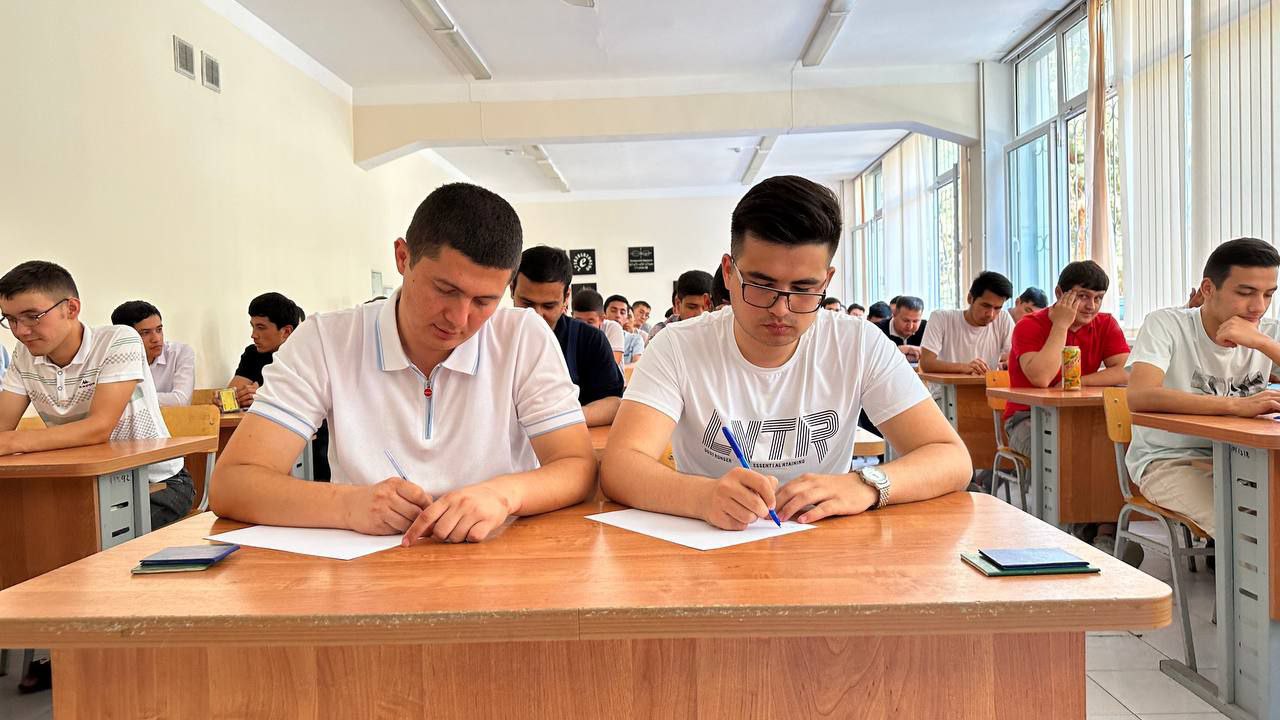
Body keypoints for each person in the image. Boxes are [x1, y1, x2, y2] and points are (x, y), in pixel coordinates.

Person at [209, 182, 596, 544]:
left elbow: (577, 466)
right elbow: (233, 483)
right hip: (365, 564)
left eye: (484, 301)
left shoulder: (523, 336)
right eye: (445, 289)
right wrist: (349, 505)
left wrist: (504, 494)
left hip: (495, 559)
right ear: (403, 257)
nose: (459, 319)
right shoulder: (327, 339)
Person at [600, 175, 970, 530]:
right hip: (710, 544)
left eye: (804, 289)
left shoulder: (858, 343)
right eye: (761, 285)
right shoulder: (678, 346)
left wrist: (866, 484)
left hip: (825, 545)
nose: (781, 309)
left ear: (826, 281)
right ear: (728, 273)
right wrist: (703, 496)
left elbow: (951, 458)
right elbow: (619, 467)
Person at [0, 261, 195, 530]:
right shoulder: (24, 355)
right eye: (10, 320)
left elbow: (98, 428)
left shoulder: (119, 340)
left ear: (71, 308)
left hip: (154, 482)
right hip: (82, 484)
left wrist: (11, 441)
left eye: (32, 316)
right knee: (24, 526)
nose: (20, 331)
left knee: (72, 533)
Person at [1127, 238, 1280, 538]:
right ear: (1208, 288)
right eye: (1245, 293)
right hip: (1170, 460)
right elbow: (1140, 396)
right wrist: (1236, 406)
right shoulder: (1166, 324)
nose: (1258, 307)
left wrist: (1262, 343)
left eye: (1268, 294)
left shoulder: (1268, 332)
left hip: (1247, 459)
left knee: (1267, 525)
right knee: (1246, 529)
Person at [1004, 260, 1130, 548]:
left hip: (1082, 418)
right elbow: (1041, 378)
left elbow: (1126, 371)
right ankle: (1074, 531)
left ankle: (1106, 536)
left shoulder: (1106, 323)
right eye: (1083, 296)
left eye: (1098, 298)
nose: (1091, 306)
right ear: (1060, 293)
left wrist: (1078, 381)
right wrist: (1061, 324)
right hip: (1027, 418)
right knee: (1060, 454)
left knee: (1112, 454)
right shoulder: (1029, 325)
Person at [512, 247, 625, 426]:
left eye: (549, 306)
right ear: (512, 289)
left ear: (566, 297)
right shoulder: (492, 337)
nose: (537, 315)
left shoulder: (589, 340)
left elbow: (613, 404)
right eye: (527, 304)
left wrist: (556, 420)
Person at [919, 272, 1015, 376]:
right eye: (985, 306)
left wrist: (1008, 363)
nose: (991, 314)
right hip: (946, 386)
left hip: (987, 385)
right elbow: (926, 363)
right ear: (970, 298)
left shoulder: (1003, 319)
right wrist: (965, 367)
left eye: (997, 308)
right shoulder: (941, 318)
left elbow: (1013, 356)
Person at [225, 292, 304, 410]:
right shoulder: (253, 354)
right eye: (253, 326)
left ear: (286, 332)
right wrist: (223, 401)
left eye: (261, 328)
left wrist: (265, 399)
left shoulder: (306, 357)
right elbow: (231, 396)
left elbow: (308, 403)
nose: (253, 335)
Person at [110, 300, 196, 406]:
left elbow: (181, 401)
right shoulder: (113, 360)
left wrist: (133, 399)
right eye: (145, 333)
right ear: (126, 337)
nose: (156, 339)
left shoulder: (180, 353)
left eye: (159, 330)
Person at [649, 270, 713, 338]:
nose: (700, 314)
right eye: (692, 307)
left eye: (708, 307)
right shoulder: (661, 332)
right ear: (678, 304)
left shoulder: (717, 329)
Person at [572, 290, 625, 366]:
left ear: (602, 319)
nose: (584, 327)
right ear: (572, 317)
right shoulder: (569, 330)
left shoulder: (613, 328)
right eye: (579, 322)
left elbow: (610, 365)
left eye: (590, 322)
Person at [875, 296, 927, 363]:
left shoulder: (926, 328)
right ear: (894, 314)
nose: (910, 326)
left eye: (915, 321)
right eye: (906, 320)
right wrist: (898, 350)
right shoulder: (877, 330)